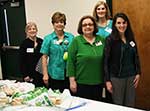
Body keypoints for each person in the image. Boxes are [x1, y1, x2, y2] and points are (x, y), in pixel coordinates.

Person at [104, 12, 141, 107]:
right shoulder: (110, 40)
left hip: (131, 77)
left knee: (130, 104)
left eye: (124, 23)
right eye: (119, 23)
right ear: (115, 25)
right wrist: (107, 81)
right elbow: (106, 61)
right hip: (116, 78)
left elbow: (136, 56)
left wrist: (138, 73)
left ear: (127, 24)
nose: (122, 25)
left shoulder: (130, 38)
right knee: (118, 106)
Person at [67, 15, 105, 101]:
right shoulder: (76, 41)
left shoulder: (102, 40)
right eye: (84, 25)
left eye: (90, 24)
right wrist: (72, 81)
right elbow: (70, 62)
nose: (87, 27)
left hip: (99, 83)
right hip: (81, 83)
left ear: (94, 26)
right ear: (81, 27)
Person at [40, 12, 74, 92]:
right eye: (56, 22)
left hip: (69, 73)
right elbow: (44, 57)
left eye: (61, 22)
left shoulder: (71, 37)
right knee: (56, 97)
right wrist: (45, 74)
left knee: (70, 97)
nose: (59, 24)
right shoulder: (48, 38)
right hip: (54, 73)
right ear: (53, 24)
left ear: (64, 24)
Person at [93, 0, 113, 103]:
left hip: (112, 59)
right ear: (96, 11)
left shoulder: (112, 23)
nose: (101, 11)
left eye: (103, 8)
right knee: (99, 89)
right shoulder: (94, 26)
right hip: (99, 59)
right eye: (98, 9)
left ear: (106, 10)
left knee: (111, 89)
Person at [19, 22, 45, 87]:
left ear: (36, 30)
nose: (32, 31)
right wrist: (25, 75)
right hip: (29, 74)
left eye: (34, 29)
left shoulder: (41, 41)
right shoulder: (24, 44)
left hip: (40, 72)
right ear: (26, 31)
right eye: (30, 29)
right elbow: (21, 61)